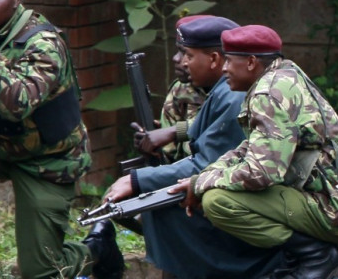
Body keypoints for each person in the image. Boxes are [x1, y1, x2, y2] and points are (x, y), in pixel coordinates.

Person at [171, 24, 338, 279]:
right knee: (217, 188)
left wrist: (202, 183)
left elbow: (262, 173)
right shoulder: (285, 74)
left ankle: (316, 256)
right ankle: (301, 258)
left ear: (250, 62)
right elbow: (250, 149)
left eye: (229, 61)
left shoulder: (268, 93)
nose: (224, 68)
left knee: (218, 202)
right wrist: (204, 175)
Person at [0, 0, 123, 279]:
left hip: (47, 161)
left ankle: (97, 249)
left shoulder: (43, 43)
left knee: (40, 271)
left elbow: (15, 103)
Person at [104, 16, 285, 278]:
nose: (180, 61)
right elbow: (197, 133)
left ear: (214, 59)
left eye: (187, 54)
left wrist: (137, 180)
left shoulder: (232, 94)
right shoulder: (221, 89)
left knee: (165, 206)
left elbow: (208, 162)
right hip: (240, 187)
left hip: (258, 198)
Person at [134, 14, 211, 163]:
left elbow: (218, 124)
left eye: (187, 54)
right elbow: (169, 158)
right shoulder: (181, 89)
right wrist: (152, 146)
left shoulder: (236, 90)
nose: (176, 58)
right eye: (179, 51)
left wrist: (174, 131)